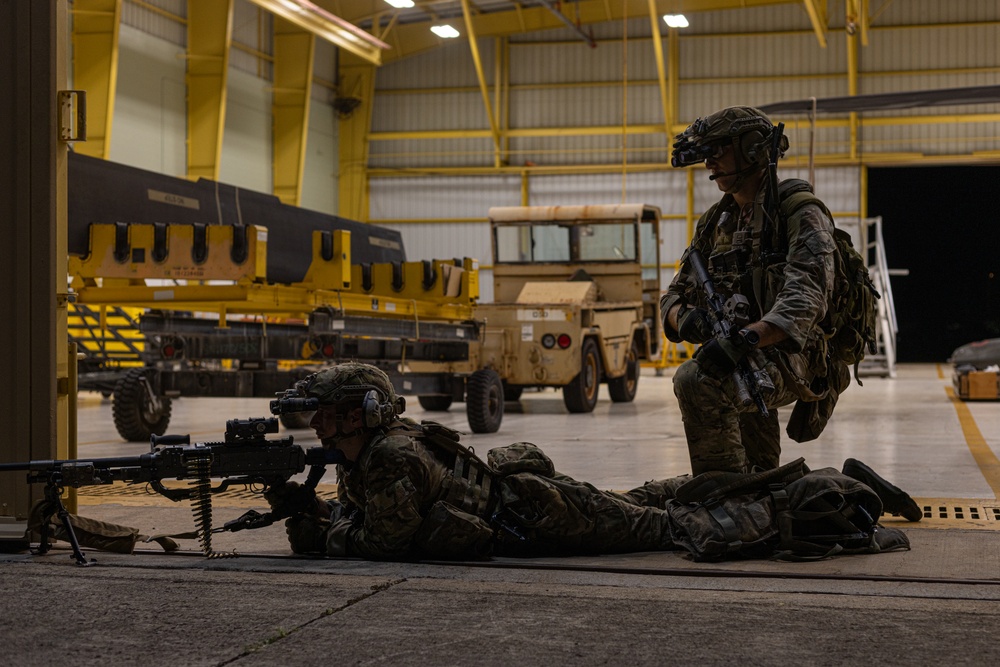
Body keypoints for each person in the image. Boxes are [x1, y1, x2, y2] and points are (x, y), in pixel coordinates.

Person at [265, 362, 918, 562]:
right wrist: (317, 513)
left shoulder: (388, 459)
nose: (317, 422)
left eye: (327, 411)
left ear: (359, 414)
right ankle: (815, 476)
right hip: (534, 500)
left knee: (674, 526)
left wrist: (318, 526)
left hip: (542, 516)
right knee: (658, 498)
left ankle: (821, 497)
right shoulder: (375, 450)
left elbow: (383, 537)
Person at [660, 105, 848, 477]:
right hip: (741, 349)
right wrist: (688, 320)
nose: (709, 162)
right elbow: (672, 295)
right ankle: (763, 492)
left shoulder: (799, 212)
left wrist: (745, 339)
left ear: (751, 149)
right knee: (760, 468)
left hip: (796, 354)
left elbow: (805, 299)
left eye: (718, 150)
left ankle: (725, 501)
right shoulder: (716, 221)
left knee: (697, 381)